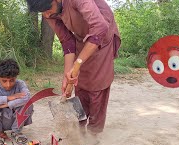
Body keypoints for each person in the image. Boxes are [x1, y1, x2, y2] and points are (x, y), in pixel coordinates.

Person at [26, 0, 121, 134]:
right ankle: (80, 129)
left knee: (97, 86)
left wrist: (78, 63)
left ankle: (94, 134)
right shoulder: (47, 12)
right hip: (82, 39)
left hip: (102, 38)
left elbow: (100, 27)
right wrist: (67, 74)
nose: (46, 14)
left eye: (48, 9)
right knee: (80, 84)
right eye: (43, 12)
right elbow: (67, 41)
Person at [0, 59, 33, 145]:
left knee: (28, 103)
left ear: (16, 77)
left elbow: (27, 97)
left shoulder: (20, 84)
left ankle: (16, 132)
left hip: (15, 118)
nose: (8, 85)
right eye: (4, 81)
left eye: (12, 80)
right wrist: (8, 98)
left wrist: (8, 104)